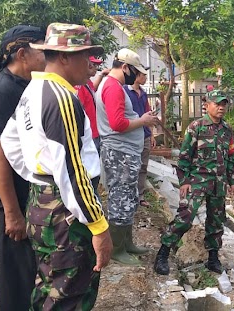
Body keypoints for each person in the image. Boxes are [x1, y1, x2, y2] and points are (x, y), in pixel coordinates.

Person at [1, 22, 113, 310]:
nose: (89, 63)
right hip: (66, 213)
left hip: (44, 203)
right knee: (68, 294)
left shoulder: (33, 90)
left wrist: (37, 176)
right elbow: (73, 171)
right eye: (84, 55)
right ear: (64, 56)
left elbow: (9, 139)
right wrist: (99, 227)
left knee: (49, 287)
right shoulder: (60, 98)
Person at [0, 25, 45, 311]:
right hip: (13, 197)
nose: (47, 57)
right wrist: (12, 213)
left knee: (31, 270)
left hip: (28, 192)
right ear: (23, 53)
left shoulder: (28, 85)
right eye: (42, 51)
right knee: (16, 276)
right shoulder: (2, 89)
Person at [155, 89, 234, 275]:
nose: (221, 107)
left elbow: (231, 155)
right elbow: (184, 155)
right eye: (217, 103)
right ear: (207, 105)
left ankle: (213, 258)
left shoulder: (227, 130)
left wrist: (233, 180)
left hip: (218, 183)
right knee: (185, 218)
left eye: (223, 104)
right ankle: (163, 254)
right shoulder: (196, 127)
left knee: (216, 221)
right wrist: (183, 181)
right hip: (197, 182)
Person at [96, 48, 160, 265]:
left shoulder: (114, 86)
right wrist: (143, 121)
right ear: (125, 67)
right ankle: (117, 248)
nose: (136, 75)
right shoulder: (113, 88)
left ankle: (128, 242)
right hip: (119, 153)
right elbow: (118, 124)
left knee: (129, 197)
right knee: (120, 199)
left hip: (125, 152)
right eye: (135, 71)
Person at [124, 65, 157, 210]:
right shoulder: (124, 91)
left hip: (144, 135)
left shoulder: (143, 94)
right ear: (137, 76)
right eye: (144, 75)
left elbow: (148, 114)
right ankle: (129, 197)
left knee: (143, 166)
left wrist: (152, 134)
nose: (145, 78)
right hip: (130, 136)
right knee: (130, 167)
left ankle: (140, 196)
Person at [75, 56, 108, 153]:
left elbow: (92, 90)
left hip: (95, 130)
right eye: (93, 65)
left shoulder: (87, 81)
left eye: (96, 65)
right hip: (89, 133)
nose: (96, 68)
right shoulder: (79, 85)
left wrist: (101, 75)